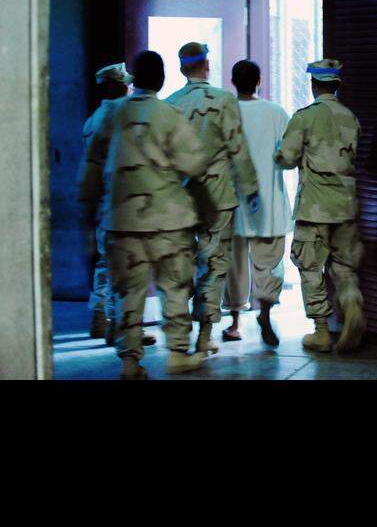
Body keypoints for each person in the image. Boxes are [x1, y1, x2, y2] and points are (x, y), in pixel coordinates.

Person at [78, 51, 209, 379]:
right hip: (169, 222)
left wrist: (89, 211)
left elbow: (90, 169)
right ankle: (177, 353)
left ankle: (130, 361)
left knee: (128, 293)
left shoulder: (110, 115)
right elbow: (195, 165)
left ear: (133, 80)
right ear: (161, 80)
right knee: (175, 288)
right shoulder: (170, 115)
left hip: (121, 221)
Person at [165, 42, 261, 355]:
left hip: (180, 199)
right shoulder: (223, 100)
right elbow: (238, 149)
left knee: (180, 266)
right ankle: (205, 336)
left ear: (182, 69)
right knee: (215, 264)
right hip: (218, 198)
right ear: (207, 64)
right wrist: (250, 190)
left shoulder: (170, 104)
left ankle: (179, 338)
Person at [273, 59, 366, 354]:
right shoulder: (350, 118)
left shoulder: (305, 117)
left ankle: (321, 332)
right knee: (344, 266)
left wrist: (278, 155)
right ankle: (352, 304)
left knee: (310, 266)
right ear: (337, 85)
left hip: (314, 207)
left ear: (313, 85)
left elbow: (287, 158)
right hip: (346, 206)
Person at [78, 62, 156, 348]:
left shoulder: (94, 119)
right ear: (115, 85)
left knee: (105, 261)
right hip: (128, 200)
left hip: (104, 201)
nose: (130, 87)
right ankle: (121, 326)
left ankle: (101, 316)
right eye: (125, 83)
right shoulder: (125, 114)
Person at [220, 60, 292, 346]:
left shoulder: (225, 113)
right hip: (268, 204)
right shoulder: (276, 113)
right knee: (268, 264)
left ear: (232, 82)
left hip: (233, 203)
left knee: (234, 266)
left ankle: (235, 323)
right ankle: (264, 314)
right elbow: (289, 154)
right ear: (259, 81)